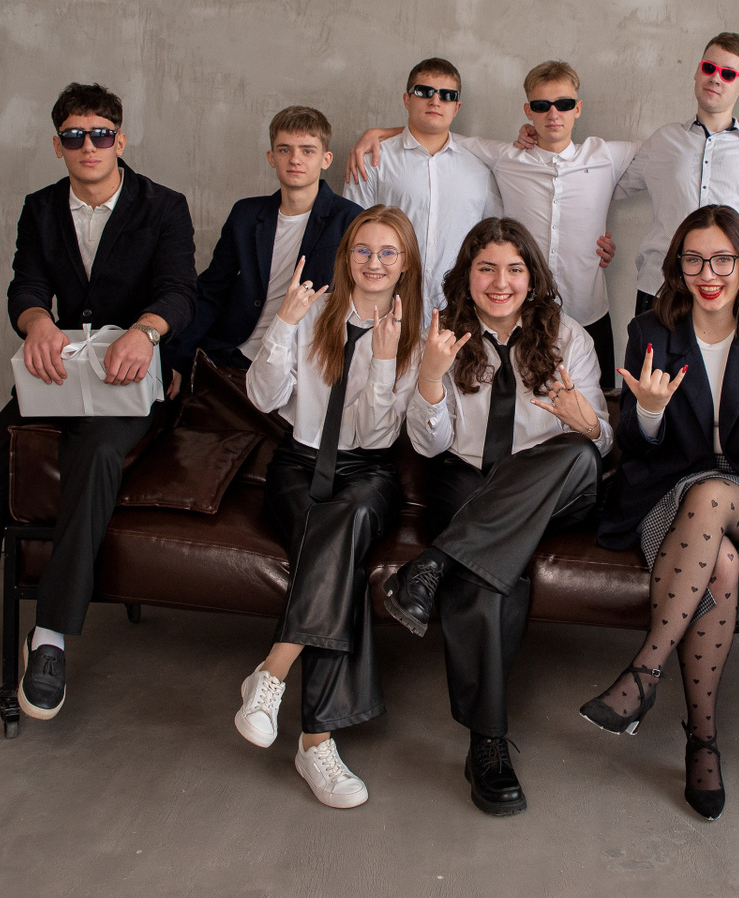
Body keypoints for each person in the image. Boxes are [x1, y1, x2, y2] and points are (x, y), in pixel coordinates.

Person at [0, 83, 198, 745]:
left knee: (93, 456)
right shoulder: (40, 207)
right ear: (58, 145)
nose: (88, 146)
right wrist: (36, 322)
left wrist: (146, 331)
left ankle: (49, 638)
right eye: (74, 136)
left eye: (100, 134)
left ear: (120, 140)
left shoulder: (163, 206)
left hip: (129, 382)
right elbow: (25, 284)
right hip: (56, 378)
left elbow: (179, 289)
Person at [581, 206, 739, 820]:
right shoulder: (649, 332)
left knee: (714, 495)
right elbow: (637, 449)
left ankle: (644, 672)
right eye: (693, 260)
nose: (708, 273)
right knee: (718, 561)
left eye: (722, 259)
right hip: (668, 495)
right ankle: (703, 740)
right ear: (677, 267)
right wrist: (646, 413)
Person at [384, 218, 612, 816]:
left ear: (532, 277)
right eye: (486, 268)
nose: (500, 282)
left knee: (578, 453)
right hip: (469, 481)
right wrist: (430, 376)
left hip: (551, 487)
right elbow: (429, 446)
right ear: (467, 276)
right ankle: (487, 743)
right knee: (488, 573)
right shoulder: (442, 336)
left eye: (514, 269)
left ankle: (434, 562)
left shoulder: (569, 337)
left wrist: (585, 420)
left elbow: (602, 442)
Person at [350, 60, 739, 374]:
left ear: (578, 108)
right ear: (528, 111)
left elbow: (681, 147)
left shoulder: (609, 155)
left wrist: (736, 127)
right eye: (542, 105)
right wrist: (380, 134)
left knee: (601, 400)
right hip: (521, 312)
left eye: (563, 103)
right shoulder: (505, 156)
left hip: (588, 309)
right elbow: (438, 134)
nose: (553, 114)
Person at [234, 206, 423, 809]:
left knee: (345, 522)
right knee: (337, 557)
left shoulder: (417, 333)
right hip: (298, 463)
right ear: (346, 257)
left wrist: (386, 361)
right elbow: (263, 397)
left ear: (406, 263)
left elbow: (378, 434)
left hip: (368, 471)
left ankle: (272, 671)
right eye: (363, 250)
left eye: (388, 252)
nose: (374, 262)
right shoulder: (312, 311)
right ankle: (316, 743)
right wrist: (283, 324)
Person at [171, 106, 362, 373]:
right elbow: (211, 290)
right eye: (285, 150)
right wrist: (178, 360)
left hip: (303, 365)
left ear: (326, 159)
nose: (295, 159)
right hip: (233, 357)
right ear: (271, 157)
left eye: (307, 151)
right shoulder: (246, 214)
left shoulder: (350, 219)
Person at [616, 32, 739, 320]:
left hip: (729, 295)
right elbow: (603, 183)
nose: (716, 79)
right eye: (709, 68)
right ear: (698, 71)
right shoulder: (664, 141)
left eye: (728, 74)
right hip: (660, 289)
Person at [346, 58, 501, 314]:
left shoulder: (479, 169)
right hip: (385, 308)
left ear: (457, 107)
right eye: (424, 91)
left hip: (459, 310)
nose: (435, 101)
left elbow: (494, 242)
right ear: (407, 99)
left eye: (447, 95)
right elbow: (353, 237)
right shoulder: (372, 161)